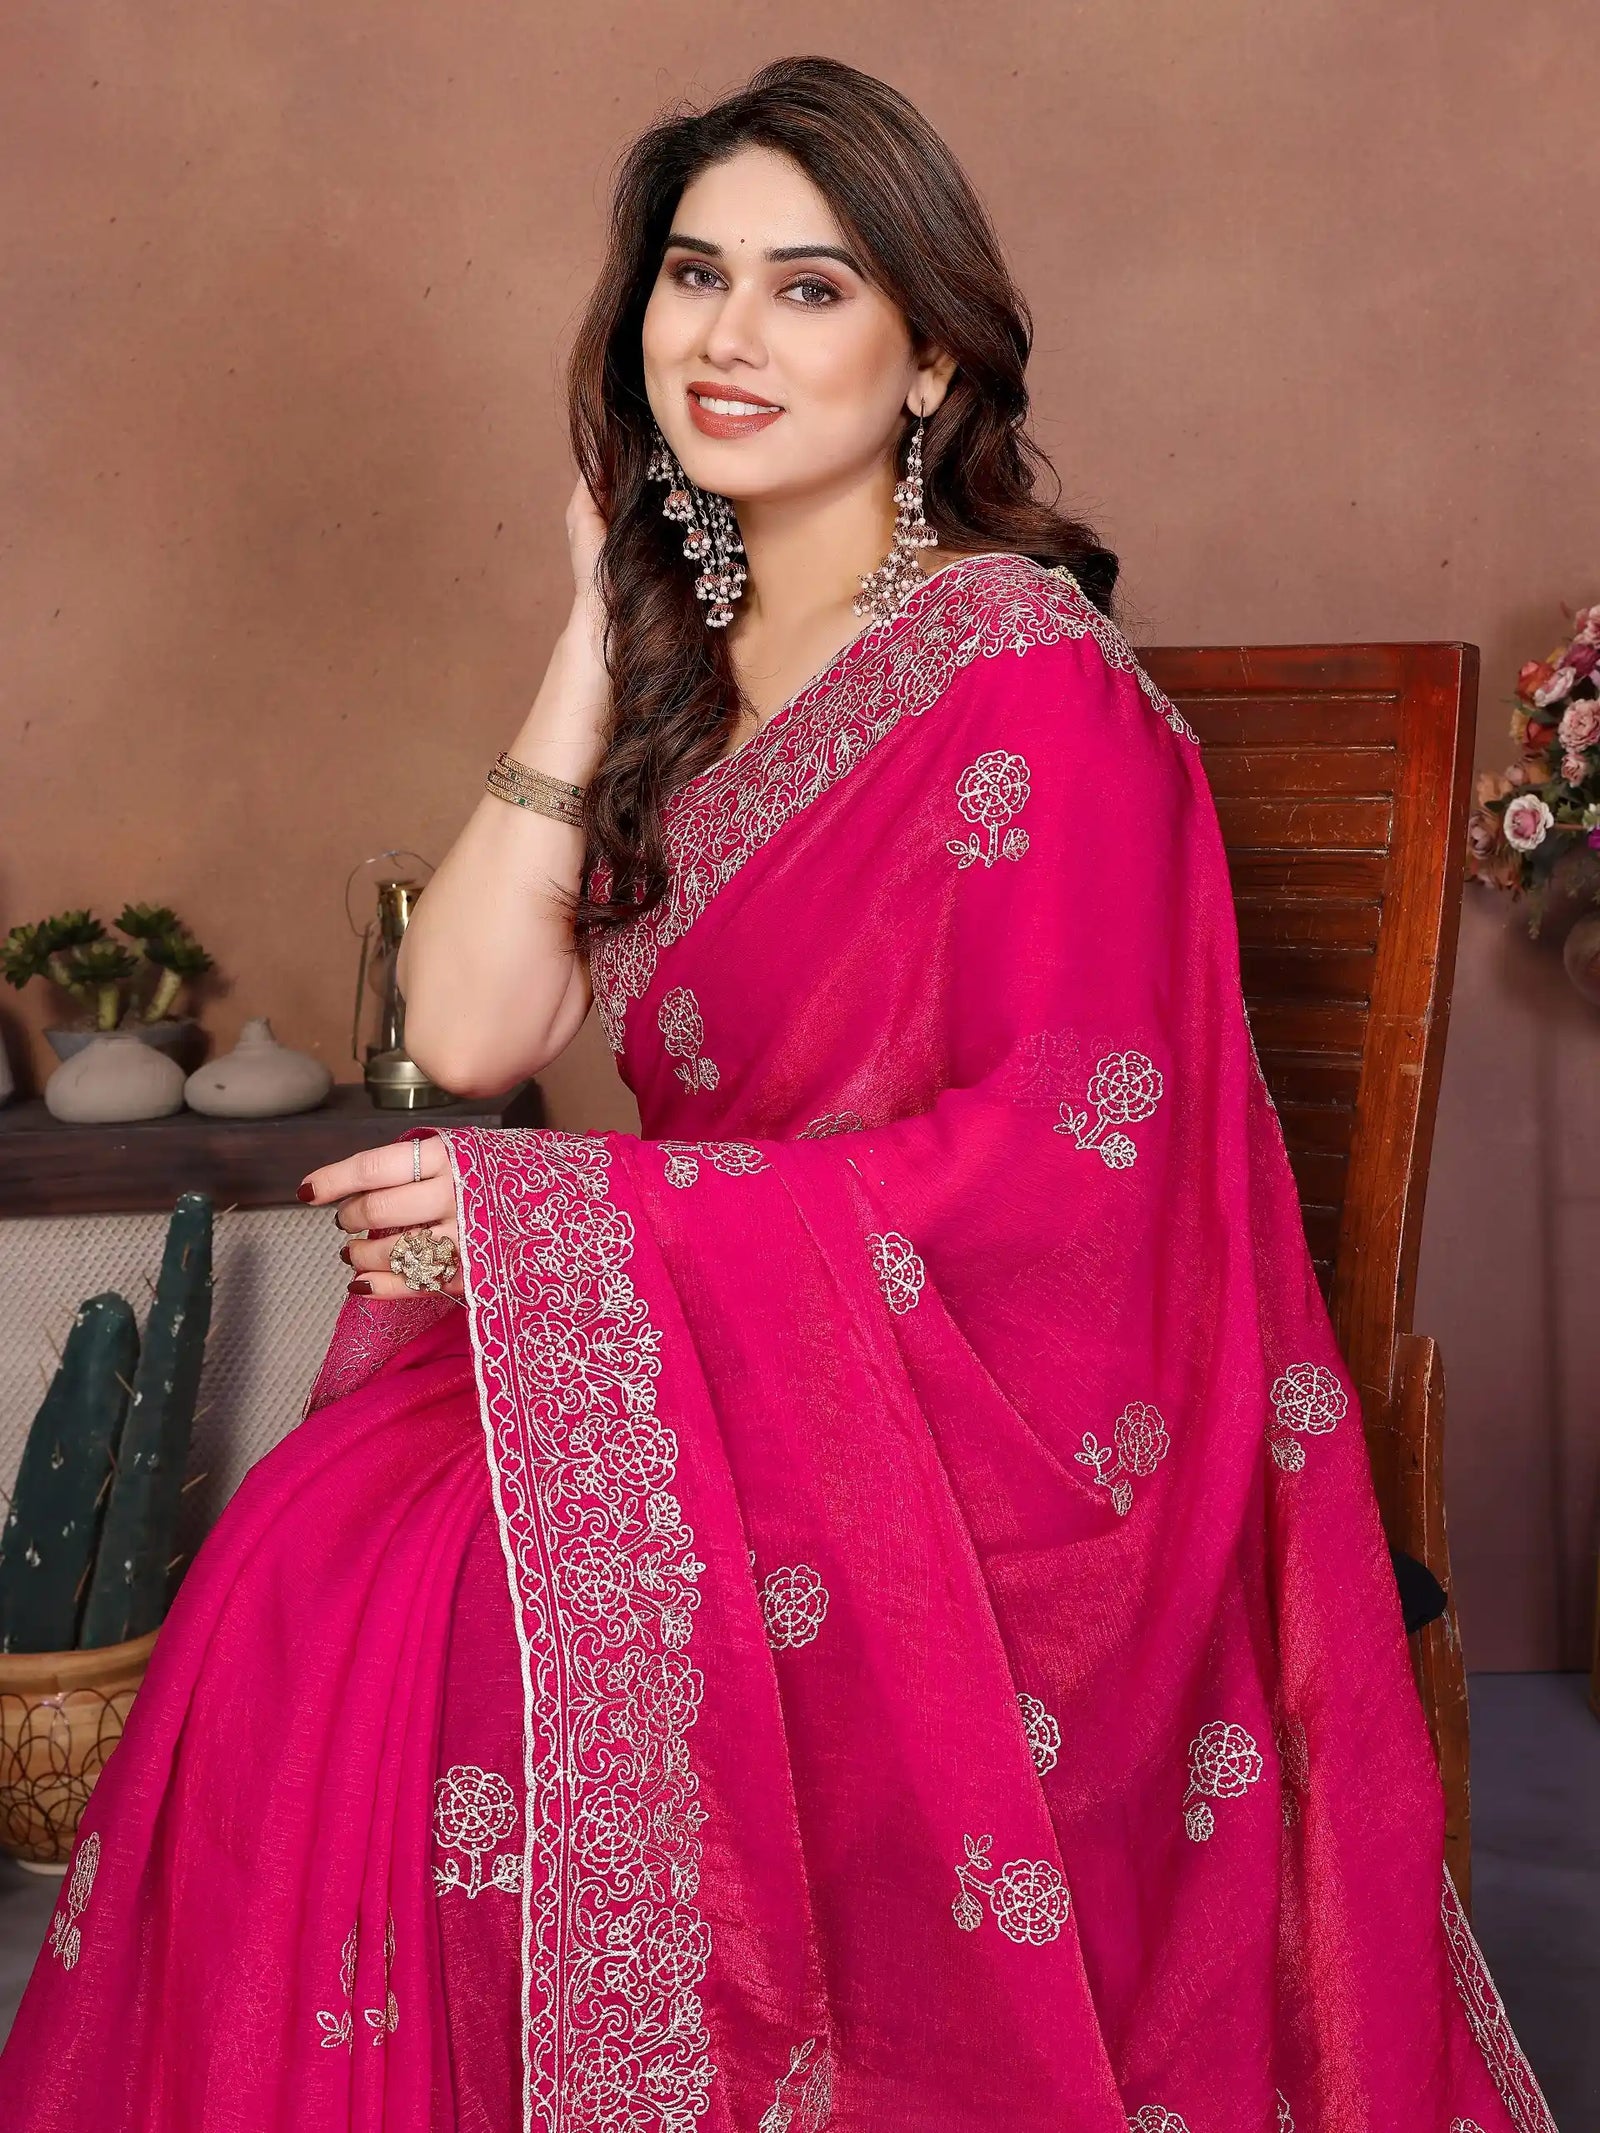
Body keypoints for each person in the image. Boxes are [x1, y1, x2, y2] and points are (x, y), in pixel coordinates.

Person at [1, 54, 1555, 2133]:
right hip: (735, 1345)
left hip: (966, 1423)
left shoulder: (1025, 679)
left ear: (928, 363)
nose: (722, 337)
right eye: (689, 276)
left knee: (454, 1609)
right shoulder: (687, 678)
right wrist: (585, 618)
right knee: (317, 1546)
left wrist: (559, 1223)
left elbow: (1064, 1162)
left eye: (807, 289)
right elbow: (467, 1033)